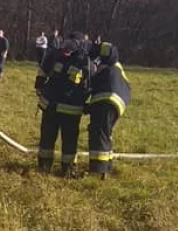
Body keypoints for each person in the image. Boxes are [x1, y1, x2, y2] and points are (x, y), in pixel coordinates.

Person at [35, 31, 92, 177]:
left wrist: (89, 103)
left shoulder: (84, 61)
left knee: (63, 139)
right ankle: (51, 166)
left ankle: (61, 168)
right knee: (53, 137)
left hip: (64, 107)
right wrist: (40, 87)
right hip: (56, 106)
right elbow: (43, 72)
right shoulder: (57, 55)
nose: (68, 46)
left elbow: (92, 84)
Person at [85, 41, 131, 179]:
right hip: (118, 103)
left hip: (106, 102)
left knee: (98, 134)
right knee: (106, 133)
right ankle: (107, 165)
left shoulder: (103, 68)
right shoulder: (116, 67)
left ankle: (98, 170)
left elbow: (91, 86)